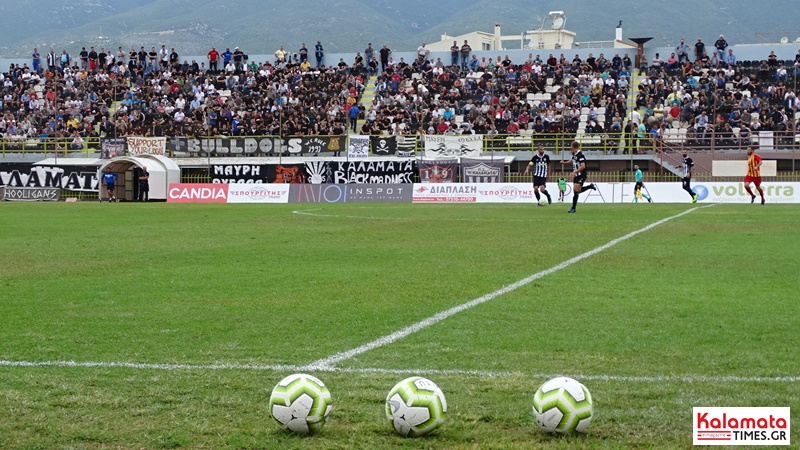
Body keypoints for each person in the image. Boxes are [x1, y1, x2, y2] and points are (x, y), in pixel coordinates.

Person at [560, 141, 597, 213]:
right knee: (577, 191)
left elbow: (583, 166)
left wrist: (575, 172)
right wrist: (564, 163)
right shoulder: (575, 154)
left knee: (576, 191)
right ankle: (590, 186)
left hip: (581, 175)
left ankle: (573, 208)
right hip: (576, 175)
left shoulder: (580, 155)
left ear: (573, 147)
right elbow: (572, 160)